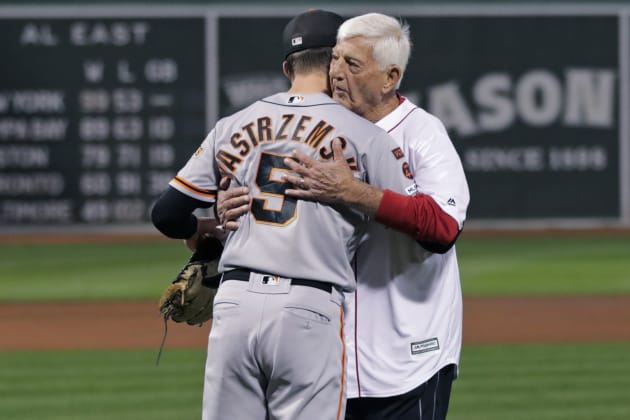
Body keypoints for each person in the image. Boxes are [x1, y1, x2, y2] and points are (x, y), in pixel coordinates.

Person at [151, 10, 417, 420]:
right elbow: (411, 222)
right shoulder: (365, 136)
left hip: (234, 305)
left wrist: (204, 228)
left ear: (286, 68)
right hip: (308, 309)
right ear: (337, 63)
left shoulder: (232, 124)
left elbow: (167, 214)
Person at [217, 13, 470, 420]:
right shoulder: (311, 129)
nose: (336, 72)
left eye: (352, 64)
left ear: (390, 78)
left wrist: (354, 192)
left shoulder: (422, 133)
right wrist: (224, 215)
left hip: (406, 357)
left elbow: (442, 227)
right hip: (321, 355)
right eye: (335, 59)